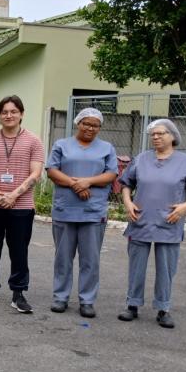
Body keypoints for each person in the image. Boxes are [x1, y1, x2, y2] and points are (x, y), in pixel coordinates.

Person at [117, 119, 186, 329]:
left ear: (173, 136)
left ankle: (163, 309)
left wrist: (185, 207)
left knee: (166, 269)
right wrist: (128, 202)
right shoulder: (141, 159)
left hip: (169, 221)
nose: (155, 137)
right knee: (136, 266)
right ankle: (132, 305)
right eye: (153, 134)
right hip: (141, 219)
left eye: (161, 133)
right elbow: (126, 184)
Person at [0, 95, 44, 313]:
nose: (9, 115)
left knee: (19, 251)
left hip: (22, 207)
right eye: (4, 112)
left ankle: (18, 293)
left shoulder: (34, 141)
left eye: (13, 111)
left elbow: (36, 173)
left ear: (21, 114)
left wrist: (14, 195)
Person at [45, 107, 118, 318]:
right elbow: (52, 171)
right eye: (86, 123)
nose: (90, 128)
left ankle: (87, 300)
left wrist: (88, 181)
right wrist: (75, 184)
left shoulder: (106, 148)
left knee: (90, 259)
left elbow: (111, 174)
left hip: (93, 212)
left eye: (95, 126)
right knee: (63, 257)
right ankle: (60, 297)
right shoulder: (61, 145)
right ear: (78, 123)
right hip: (65, 210)